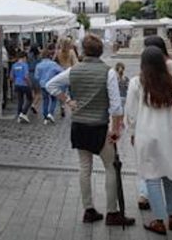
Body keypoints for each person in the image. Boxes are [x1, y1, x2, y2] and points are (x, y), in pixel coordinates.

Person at [45, 34, 135, 227]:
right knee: (110, 167)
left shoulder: (74, 70)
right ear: (101, 51)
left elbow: (50, 85)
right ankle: (112, 212)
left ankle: (89, 210)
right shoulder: (108, 72)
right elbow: (116, 106)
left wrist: (67, 100)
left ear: (83, 51)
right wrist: (115, 129)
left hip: (79, 126)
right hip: (99, 127)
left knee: (85, 168)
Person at [125, 46, 172, 235]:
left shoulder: (137, 82)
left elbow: (130, 112)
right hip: (170, 135)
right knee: (171, 174)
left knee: (151, 176)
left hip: (146, 134)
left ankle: (159, 220)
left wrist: (132, 133)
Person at [34, 45, 63, 125]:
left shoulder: (38, 65)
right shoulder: (53, 64)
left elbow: (36, 77)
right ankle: (50, 113)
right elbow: (61, 71)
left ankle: (45, 117)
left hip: (43, 85)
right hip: (52, 84)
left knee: (45, 100)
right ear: (50, 55)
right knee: (53, 99)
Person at [10, 51, 32, 123]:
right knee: (30, 99)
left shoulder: (14, 65)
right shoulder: (25, 65)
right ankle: (23, 113)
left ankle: (19, 115)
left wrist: (15, 82)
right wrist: (29, 83)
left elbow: (11, 77)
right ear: (24, 57)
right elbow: (26, 76)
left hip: (17, 84)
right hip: (24, 84)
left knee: (20, 100)